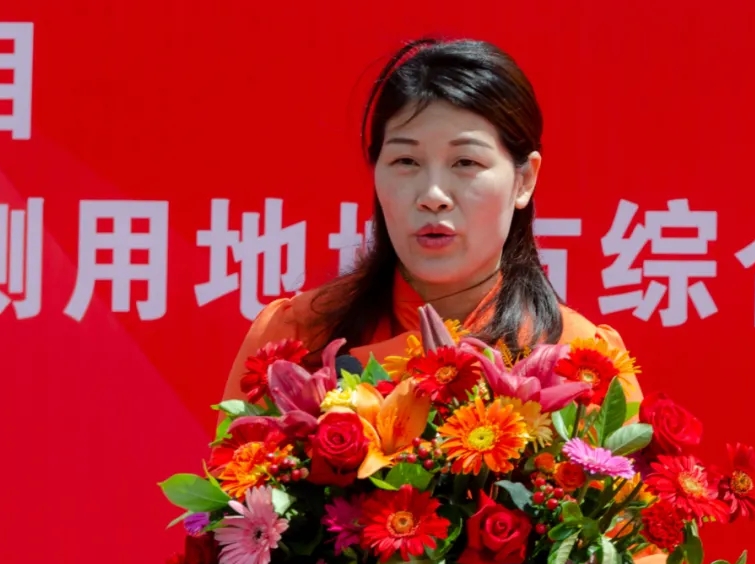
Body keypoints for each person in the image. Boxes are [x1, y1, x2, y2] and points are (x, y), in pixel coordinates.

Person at [219, 37, 642, 405]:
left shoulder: (584, 364)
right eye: (406, 161)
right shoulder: (295, 340)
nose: (432, 195)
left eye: (465, 162)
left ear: (524, 180)